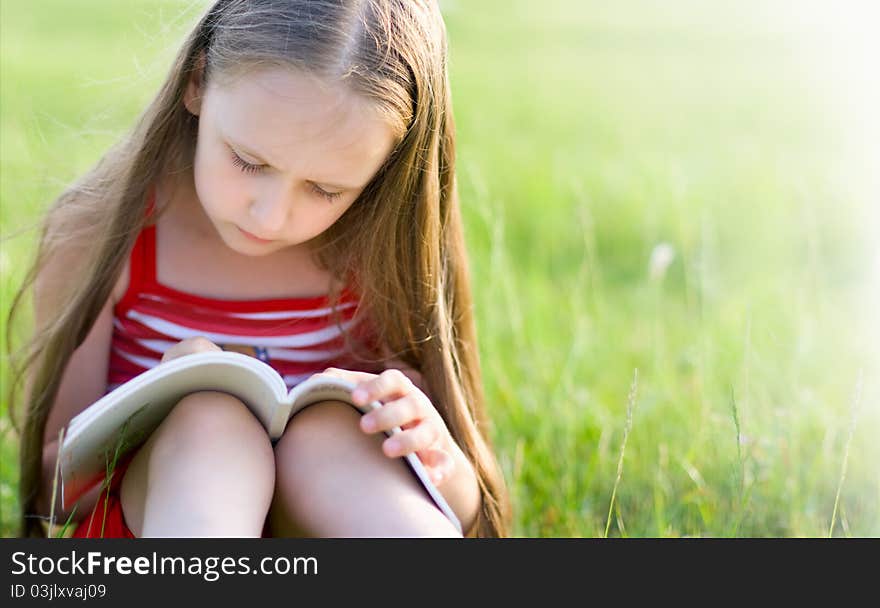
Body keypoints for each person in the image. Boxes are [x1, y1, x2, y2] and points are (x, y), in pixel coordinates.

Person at [7, 0, 510, 538]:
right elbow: (52, 494)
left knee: (334, 437)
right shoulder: (100, 236)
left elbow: (468, 510)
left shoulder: (378, 249)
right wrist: (160, 399)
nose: (271, 216)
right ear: (198, 81)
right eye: (248, 162)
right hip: (161, 524)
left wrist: (435, 454)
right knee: (212, 425)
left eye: (325, 189)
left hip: (327, 514)